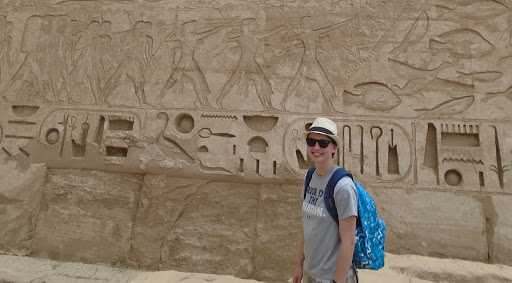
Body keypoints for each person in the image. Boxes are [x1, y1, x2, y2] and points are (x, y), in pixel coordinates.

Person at [293, 117, 358, 283]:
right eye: (311, 141)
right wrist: (299, 265)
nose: (316, 148)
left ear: (334, 147)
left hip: (332, 279)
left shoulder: (343, 187)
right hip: (311, 274)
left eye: (323, 143)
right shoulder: (310, 177)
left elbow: (349, 242)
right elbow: (308, 227)